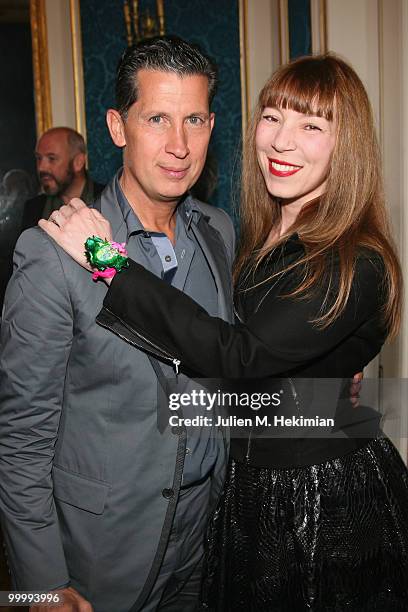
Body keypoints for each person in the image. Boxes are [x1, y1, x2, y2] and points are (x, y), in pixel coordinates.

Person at [41, 54, 408, 611]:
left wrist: (104, 258)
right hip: (245, 491)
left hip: (319, 500)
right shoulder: (246, 232)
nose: (282, 142)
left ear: (345, 145)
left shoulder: (353, 257)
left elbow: (237, 354)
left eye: (311, 126)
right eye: (273, 117)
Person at [0, 37, 235, 612]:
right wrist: (37, 587)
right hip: (98, 559)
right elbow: (21, 438)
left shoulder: (219, 231)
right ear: (118, 126)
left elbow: (228, 366)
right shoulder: (51, 250)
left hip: (205, 546)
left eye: (195, 120)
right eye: (157, 118)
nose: (179, 146)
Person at [21, 127, 105, 231]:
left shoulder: (107, 200)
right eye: (39, 158)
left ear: (78, 162)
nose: (41, 167)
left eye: (51, 158)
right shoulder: (34, 208)